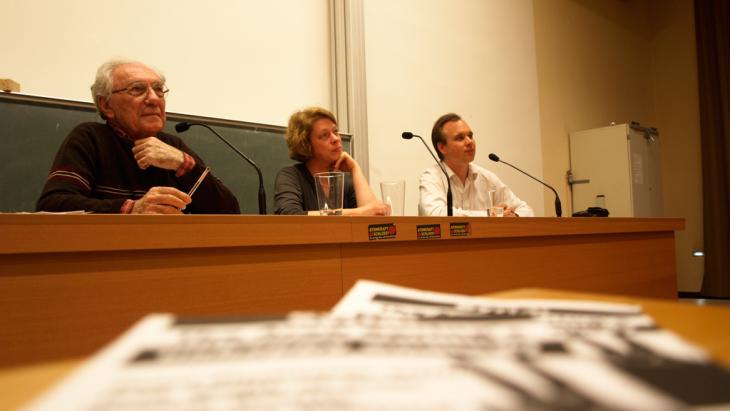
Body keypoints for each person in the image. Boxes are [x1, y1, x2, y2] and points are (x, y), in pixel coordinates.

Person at [36, 59, 239, 214]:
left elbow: (229, 212)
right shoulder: (90, 138)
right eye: (137, 89)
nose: (153, 98)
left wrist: (183, 164)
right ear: (106, 105)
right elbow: (52, 205)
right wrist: (132, 209)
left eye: (159, 89)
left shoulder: (173, 146)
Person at [274, 107, 389, 216]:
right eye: (325, 135)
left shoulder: (346, 181)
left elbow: (374, 218)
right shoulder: (291, 176)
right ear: (306, 144)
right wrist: (359, 213)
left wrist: (355, 168)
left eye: (336, 131)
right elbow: (289, 215)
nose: (336, 139)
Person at [419, 113, 533, 217]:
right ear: (442, 147)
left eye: (470, 136)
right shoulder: (432, 177)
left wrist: (514, 216)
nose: (469, 142)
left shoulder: (487, 178)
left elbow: (526, 210)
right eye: (460, 138)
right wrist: (489, 215)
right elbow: (434, 214)